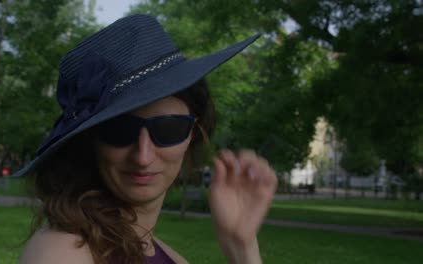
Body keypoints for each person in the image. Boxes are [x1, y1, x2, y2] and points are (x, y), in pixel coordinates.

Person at [18, 14, 277, 264]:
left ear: (192, 134)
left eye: (168, 130)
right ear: (91, 142)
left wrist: (241, 245)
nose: (143, 156)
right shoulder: (63, 250)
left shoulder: (171, 258)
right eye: (119, 131)